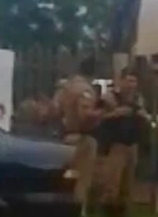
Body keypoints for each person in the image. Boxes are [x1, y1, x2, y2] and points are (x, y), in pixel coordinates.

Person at [52, 57, 103, 217]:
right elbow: (84, 114)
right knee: (81, 184)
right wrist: (103, 113)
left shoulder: (66, 87)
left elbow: (54, 110)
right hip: (81, 140)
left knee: (65, 182)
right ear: (93, 73)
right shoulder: (85, 90)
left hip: (62, 139)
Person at [98, 68, 148, 217]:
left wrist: (143, 116)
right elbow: (98, 117)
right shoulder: (109, 97)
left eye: (134, 81)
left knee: (128, 187)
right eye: (129, 80)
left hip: (132, 145)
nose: (132, 85)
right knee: (112, 186)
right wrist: (116, 113)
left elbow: (144, 116)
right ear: (121, 80)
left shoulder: (138, 99)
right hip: (116, 145)